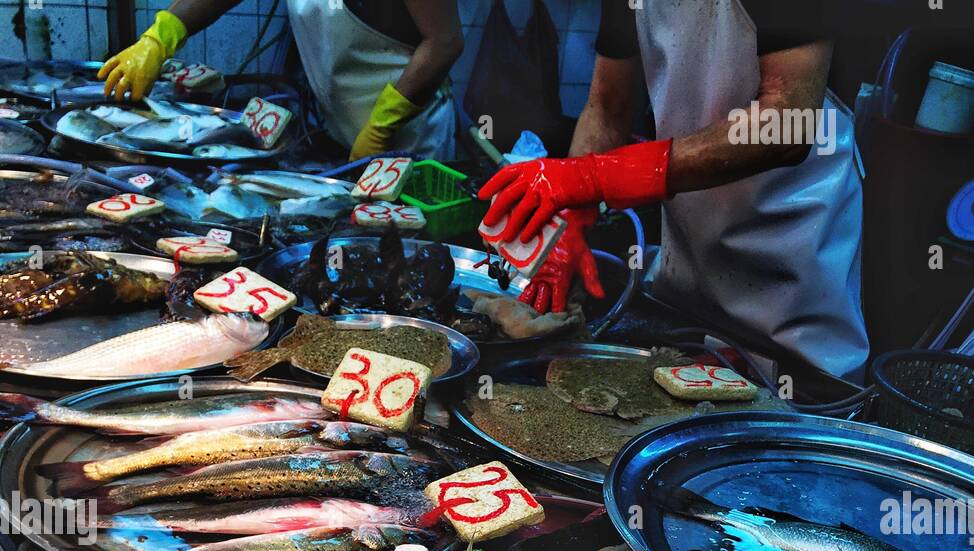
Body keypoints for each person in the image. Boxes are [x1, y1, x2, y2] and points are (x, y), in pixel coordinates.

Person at [480, 0, 869, 381]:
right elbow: (607, 107)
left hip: (793, 291)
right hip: (686, 289)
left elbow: (787, 124)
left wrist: (594, 177)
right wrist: (571, 221)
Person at [98, 1, 463, 161]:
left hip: (410, 142)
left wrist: (382, 125)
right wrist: (160, 37)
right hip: (342, 130)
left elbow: (444, 42)